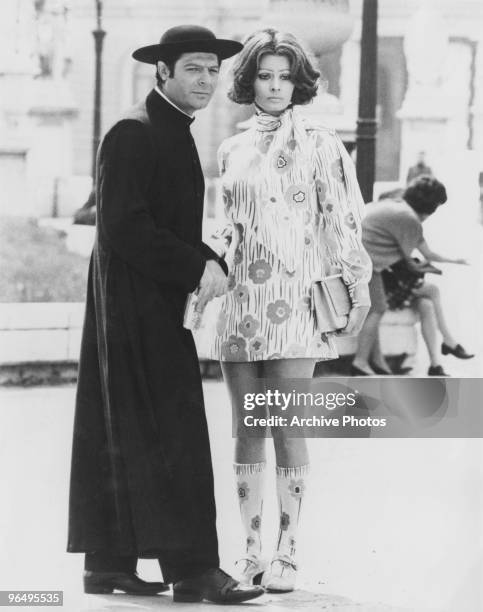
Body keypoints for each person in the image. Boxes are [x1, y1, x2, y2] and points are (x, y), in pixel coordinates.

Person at [67, 25, 264, 605]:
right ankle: (195, 570)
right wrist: (195, 266)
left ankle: (107, 563)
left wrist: (207, 258)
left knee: (119, 425)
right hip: (135, 303)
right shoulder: (135, 130)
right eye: (193, 70)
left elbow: (163, 223)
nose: (206, 81)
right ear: (163, 72)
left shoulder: (168, 127)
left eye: (212, 70)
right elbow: (122, 225)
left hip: (146, 297)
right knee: (172, 428)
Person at [207, 28, 372, 592]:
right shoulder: (231, 148)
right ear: (249, 79)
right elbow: (225, 228)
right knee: (248, 428)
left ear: (298, 82)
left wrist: (359, 286)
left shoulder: (323, 144)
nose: (274, 86)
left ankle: (289, 551)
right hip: (240, 306)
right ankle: (250, 549)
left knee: (286, 425)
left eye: (284, 76)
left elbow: (344, 220)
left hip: (298, 303)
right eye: (264, 75)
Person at [353, 175, 474, 377]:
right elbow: (418, 258)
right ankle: (361, 362)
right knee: (381, 307)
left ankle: (436, 361)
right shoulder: (409, 219)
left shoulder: (394, 205)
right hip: (370, 268)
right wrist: (449, 263)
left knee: (425, 303)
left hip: (365, 264)